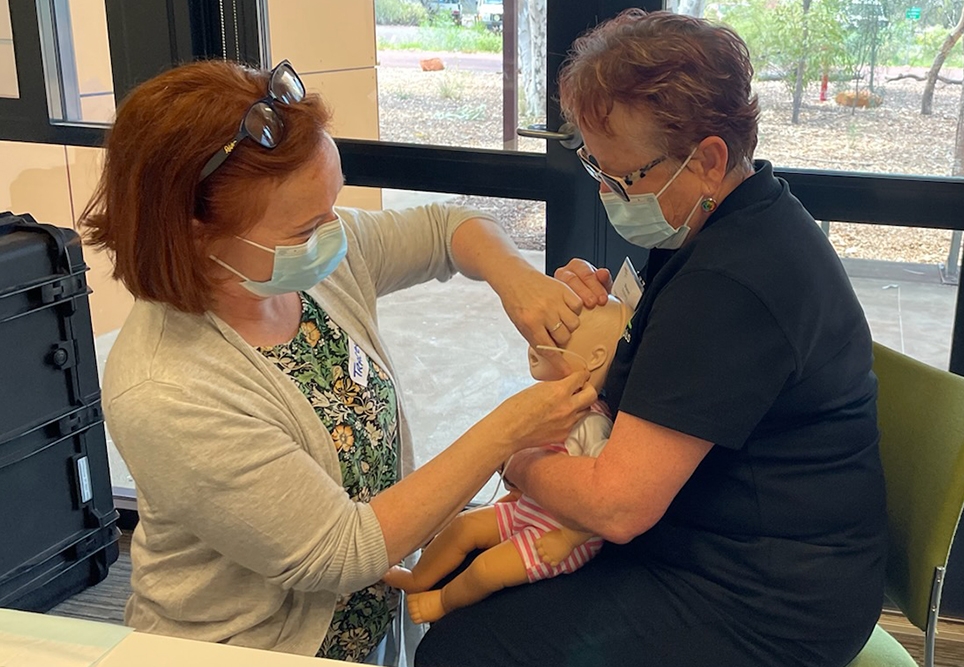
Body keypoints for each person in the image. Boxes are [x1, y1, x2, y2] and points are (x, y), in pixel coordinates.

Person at [78, 58, 599, 662]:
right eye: (306, 227)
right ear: (193, 232)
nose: (336, 231)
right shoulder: (169, 389)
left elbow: (446, 228)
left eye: (334, 204)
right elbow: (341, 552)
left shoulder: (301, 272)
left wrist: (515, 279)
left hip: (369, 626)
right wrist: (509, 431)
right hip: (249, 649)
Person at [414, 10, 887, 667]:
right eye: (597, 170)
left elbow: (617, 506)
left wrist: (515, 461)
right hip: (710, 535)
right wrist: (601, 317)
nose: (609, 192)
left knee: (462, 650)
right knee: (458, 576)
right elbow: (670, 376)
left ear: (710, 158)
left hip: (766, 598)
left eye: (624, 178)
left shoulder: (734, 282)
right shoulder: (724, 220)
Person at [383, 296, 632, 623]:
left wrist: (570, 538)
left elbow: (605, 500)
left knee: (486, 570)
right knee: (464, 526)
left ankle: (443, 601)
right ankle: (418, 578)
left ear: (595, 357)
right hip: (530, 507)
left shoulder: (593, 425)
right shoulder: (550, 404)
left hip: (561, 534)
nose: (535, 343)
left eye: (552, 337)